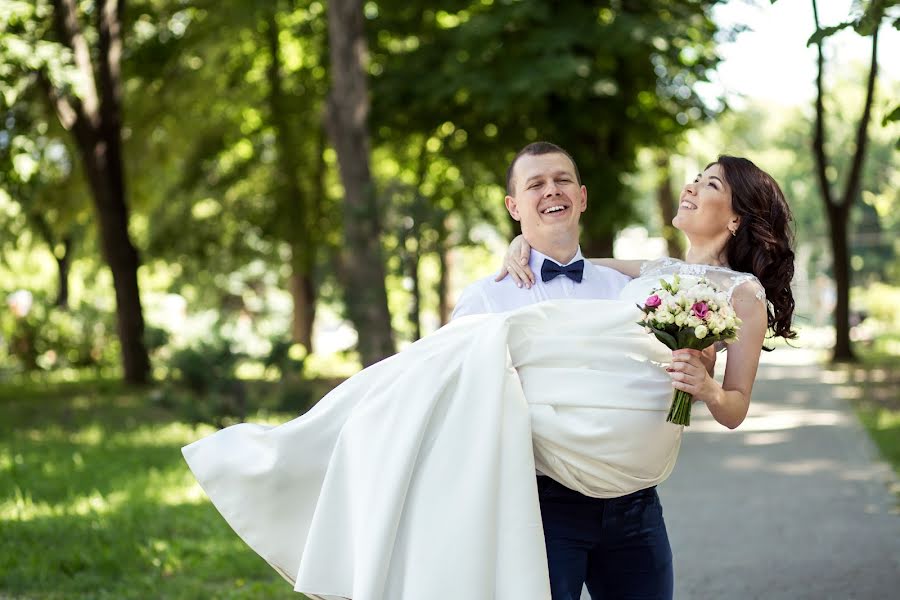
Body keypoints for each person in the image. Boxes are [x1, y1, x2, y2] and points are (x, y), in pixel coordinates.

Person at [181, 145, 795, 600]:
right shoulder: (509, 293)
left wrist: (707, 385)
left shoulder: (634, 287)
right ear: (513, 205)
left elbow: (713, 393)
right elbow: (454, 389)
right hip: (544, 503)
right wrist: (519, 247)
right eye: (535, 185)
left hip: (637, 507)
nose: (690, 187)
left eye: (707, 184)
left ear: (583, 196)